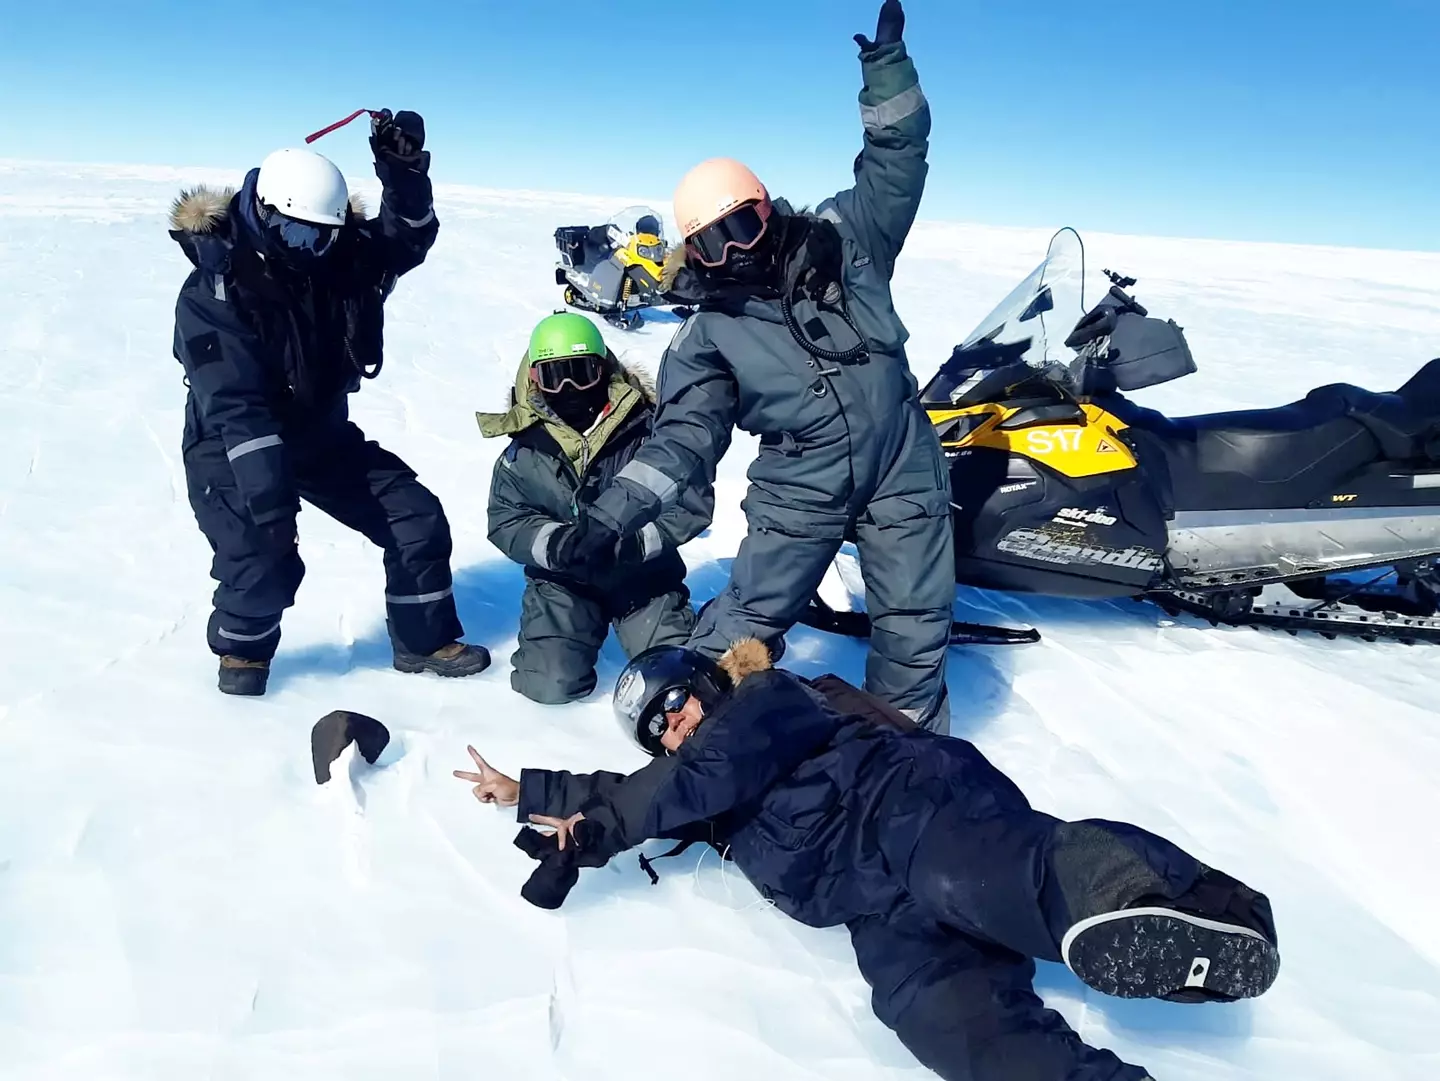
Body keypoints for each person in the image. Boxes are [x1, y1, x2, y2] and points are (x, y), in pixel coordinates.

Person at [454, 642, 1280, 1081]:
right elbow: (648, 786)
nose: (674, 726)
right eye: (657, 729)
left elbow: (676, 782)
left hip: (912, 809)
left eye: (677, 702)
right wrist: (529, 788)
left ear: (708, 682)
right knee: (942, 1020)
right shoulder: (700, 788)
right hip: (876, 906)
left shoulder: (767, 701)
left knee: (993, 876)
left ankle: (1193, 906)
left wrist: (598, 832)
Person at [550, 0, 956, 732]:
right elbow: (681, 439)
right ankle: (694, 733)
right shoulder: (708, 336)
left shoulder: (844, 238)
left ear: (765, 210)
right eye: (711, 244)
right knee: (748, 619)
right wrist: (611, 515)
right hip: (801, 484)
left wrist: (885, 71)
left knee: (914, 625)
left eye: (741, 228)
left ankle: (910, 764)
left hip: (904, 461)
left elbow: (899, 160)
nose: (733, 254)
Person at [168, 111, 490, 696]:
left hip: (318, 432)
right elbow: (237, 404)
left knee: (414, 516)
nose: (309, 249)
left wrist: (404, 173)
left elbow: (408, 234)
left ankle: (422, 643)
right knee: (265, 562)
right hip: (231, 442)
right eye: (296, 234)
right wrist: (273, 511)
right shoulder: (217, 290)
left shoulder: (336, 255)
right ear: (264, 213)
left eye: (322, 234)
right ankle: (242, 659)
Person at [476, 312, 712, 703]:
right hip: (565, 581)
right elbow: (506, 518)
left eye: (582, 372)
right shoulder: (526, 448)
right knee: (548, 687)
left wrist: (633, 545)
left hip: (643, 578)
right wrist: (557, 546)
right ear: (535, 380)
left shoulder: (648, 430)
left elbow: (690, 504)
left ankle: (705, 623)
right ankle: (572, 634)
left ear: (604, 369)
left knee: (675, 680)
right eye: (555, 376)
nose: (570, 388)